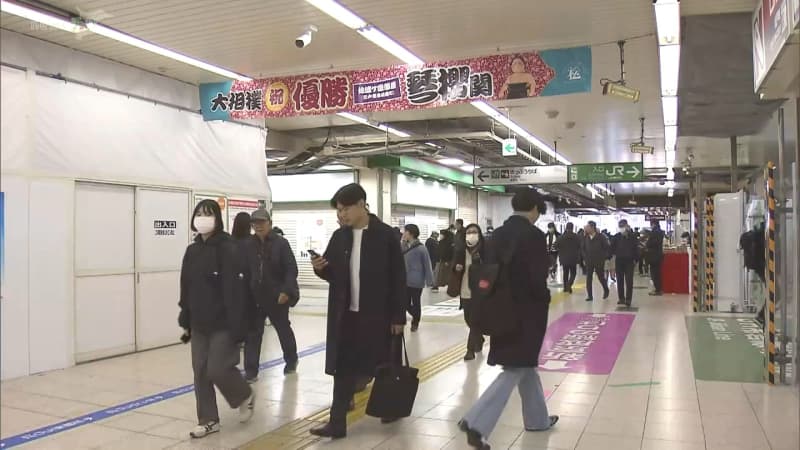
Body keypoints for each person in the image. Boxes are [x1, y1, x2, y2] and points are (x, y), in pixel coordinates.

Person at [458, 188, 558, 449]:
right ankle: (476, 421)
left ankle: (538, 419)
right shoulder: (534, 236)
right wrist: (545, 297)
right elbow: (537, 278)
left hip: (499, 310)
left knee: (524, 366)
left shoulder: (497, 235)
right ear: (535, 209)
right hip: (527, 313)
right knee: (515, 366)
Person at [309, 183, 407, 439]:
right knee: (342, 368)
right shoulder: (340, 236)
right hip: (346, 316)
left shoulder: (385, 236)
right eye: (339, 211)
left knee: (383, 364)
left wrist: (398, 315)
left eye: (345, 209)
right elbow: (333, 275)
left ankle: (390, 408)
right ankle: (336, 423)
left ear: (362, 205)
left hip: (378, 315)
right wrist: (320, 268)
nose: (341, 215)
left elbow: (398, 277)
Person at [178, 200, 255, 439]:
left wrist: (239, 326)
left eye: (208, 214)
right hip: (199, 322)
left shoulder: (228, 248)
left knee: (218, 368)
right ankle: (208, 419)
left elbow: (235, 289)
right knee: (200, 371)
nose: (202, 218)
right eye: (199, 213)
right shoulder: (192, 251)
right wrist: (185, 314)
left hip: (224, 322)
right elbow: (186, 285)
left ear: (218, 219)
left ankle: (244, 395)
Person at [242, 209, 300, 381]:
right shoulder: (248, 244)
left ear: (269, 223)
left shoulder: (281, 243)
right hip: (255, 297)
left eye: (262, 222)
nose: (258, 226)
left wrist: (286, 291)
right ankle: (251, 371)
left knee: (283, 329)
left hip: (277, 296)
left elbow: (291, 269)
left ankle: (291, 360)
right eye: (254, 223)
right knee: (253, 335)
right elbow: (244, 270)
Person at [452, 224, 487, 360]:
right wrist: (457, 268)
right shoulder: (461, 250)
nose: (472, 234)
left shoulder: (485, 250)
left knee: (474, 319)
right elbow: (454, 267)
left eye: (475, 232)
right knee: (468, 319)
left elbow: (491, 268)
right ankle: (479, 338)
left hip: (480, 290)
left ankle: (470, 350)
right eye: (469, 232)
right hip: (465, 289)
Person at [402, 224, 434, 332]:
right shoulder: (404, 246)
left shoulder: (421, 248)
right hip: (405, 280)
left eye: (405, 231)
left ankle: (415, 321)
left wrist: (430, 281)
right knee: (405, 302)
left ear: (411, 233)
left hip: (417, 281)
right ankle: (416, 315)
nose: (403, 233)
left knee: (416, 302)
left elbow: (427, 265)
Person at [611, 219, 639, 307]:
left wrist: (636, 260)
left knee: (629, 280)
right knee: (619, 280)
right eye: (620, 227)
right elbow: (611, 248)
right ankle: (621, 298)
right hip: (619, 261)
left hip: (629, 261)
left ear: (627, 226)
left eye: (623, 226)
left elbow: (636, 249)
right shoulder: (616, 237)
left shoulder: (633, 236)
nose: (622, 228)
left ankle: (628, 299)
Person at [581, 221, 610, 302]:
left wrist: (604, 257)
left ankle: (606, 289)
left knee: (600, 276)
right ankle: (590, 295)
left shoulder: (601, 237)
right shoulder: (585, 237)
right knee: (588, 278)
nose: (586, 228)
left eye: (588, 227)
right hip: (589, 260)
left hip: (599, 260)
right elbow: (582, 248)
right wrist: (584, 257)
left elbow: (606, 247)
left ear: (592, 227)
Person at [556, 223, 580, 293]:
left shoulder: (561, 237)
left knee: (565, 273)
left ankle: (565, 288)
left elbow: (556, 245)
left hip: (564, 258)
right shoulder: (576, 237)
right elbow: (579, 246)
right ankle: (569, 284)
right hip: (573, 258)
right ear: (572, 228)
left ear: (566, 228)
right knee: (573, 273)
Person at [646, 221, 665, 295]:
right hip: (658, 255)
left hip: (653, 256)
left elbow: (650, 243)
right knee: (657, 273)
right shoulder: (660, 232)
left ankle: (657, 289)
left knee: (654, 273)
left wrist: (647, 244)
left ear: (653, 224)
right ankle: (658, 289)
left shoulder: (654, 232)